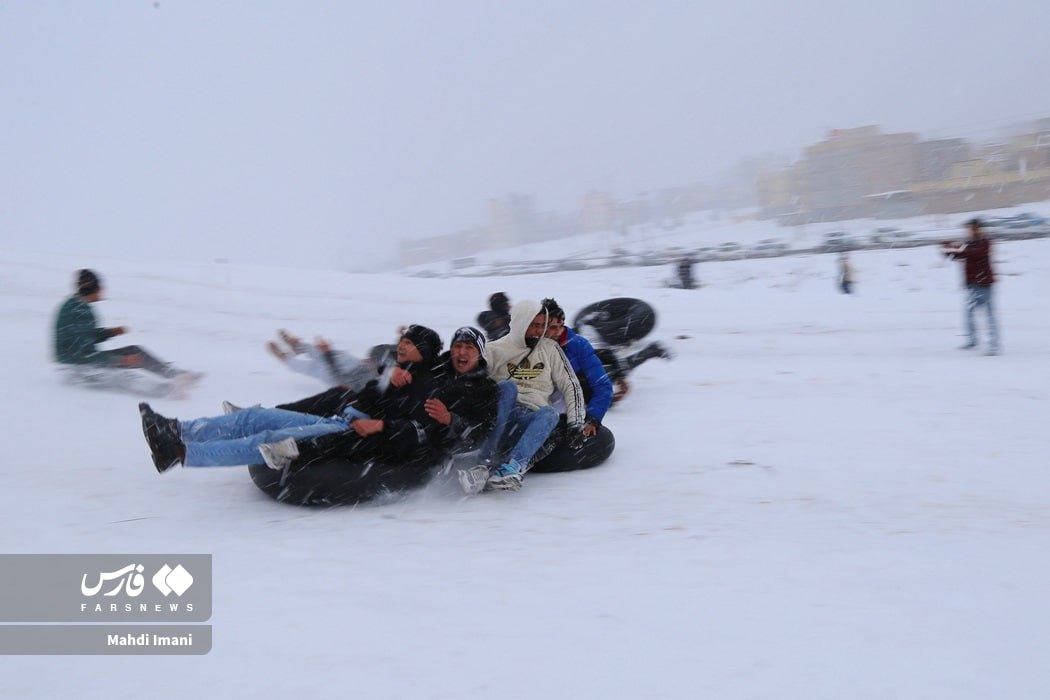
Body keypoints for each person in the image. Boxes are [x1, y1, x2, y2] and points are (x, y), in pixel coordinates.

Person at [140, 325, 447, 472]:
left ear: (424, 350)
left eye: (409, 343)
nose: (402, 346)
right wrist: (385, 379)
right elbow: (365, 399)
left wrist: (380, 425)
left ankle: (180, 453)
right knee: (256, 417)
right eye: (402, 341)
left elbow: (417, 431)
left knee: (269, 438)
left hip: (352, 434)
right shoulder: (393, 372)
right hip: (341, 420)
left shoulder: (427, 385)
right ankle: (175, 428)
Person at [464, 299, 586, 492]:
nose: (538, 331)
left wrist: (576, 423)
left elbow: (570, 385)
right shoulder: (494, 349)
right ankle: (483, 464)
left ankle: (511, 468)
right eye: (533, 325)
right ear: (521, 322)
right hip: (499, 416)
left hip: (528, 422)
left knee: (550, 414)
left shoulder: (550, 349)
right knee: (508, 388)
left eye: (541, 326)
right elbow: (469, 378)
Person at [53, 269, 196, 380]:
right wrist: (120, 360)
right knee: (130, 364)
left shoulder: (76, 306)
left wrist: (111, 332)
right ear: (92, 288)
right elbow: (84, 354)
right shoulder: (78, 311)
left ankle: (174, 377)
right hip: (77, 369)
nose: (102, 293)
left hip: (77, 364)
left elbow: (85, 337)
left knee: (133, 352)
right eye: (100, 289)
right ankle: (167, 387)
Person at [540, 297, 613, 432]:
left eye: (561, 326)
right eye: (553, 328)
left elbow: (602, 385)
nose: (558, 332)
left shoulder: (578, 345)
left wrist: (593, 418)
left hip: (574, 401)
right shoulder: (533, 346)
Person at [942, 218, 1000, 355]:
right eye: (970, 228)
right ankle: (972, 341)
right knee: (968, 315)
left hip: (985, 284)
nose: (971, 231)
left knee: (989, 316)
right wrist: (947, 250)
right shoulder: (969, 244)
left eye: (973, 228)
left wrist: (958, 249)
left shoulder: (985, 242)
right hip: (972, 284)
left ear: (980, 229)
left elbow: (974, 253)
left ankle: (994, 346)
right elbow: (959, 256)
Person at [266, 328, 392, 390]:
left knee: (314, 367)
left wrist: (328, 355)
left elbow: (341, 378)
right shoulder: (393, 372)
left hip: (340, 378)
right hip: (356, 366)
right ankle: (299, 346)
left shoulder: (371, 386)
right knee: (330, 354)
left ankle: (285, 358)